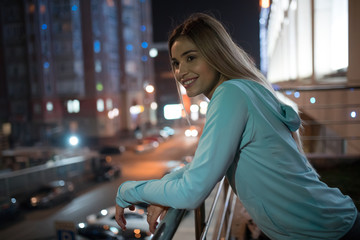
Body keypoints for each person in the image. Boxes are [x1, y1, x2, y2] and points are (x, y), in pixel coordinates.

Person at [115, 13, 359, 239]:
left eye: (191, 58)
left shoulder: (230, 94)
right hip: (330, 223)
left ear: (215, 53)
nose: (181, 71)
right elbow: (203, 167)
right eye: (176, 63)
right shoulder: (247, 87)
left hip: (327, 232)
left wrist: (129, 190)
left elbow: (192, 192)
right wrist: (165, 189)